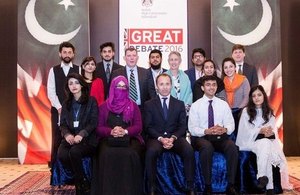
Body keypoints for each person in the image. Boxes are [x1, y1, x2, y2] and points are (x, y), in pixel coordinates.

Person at [91, 76, 144, 195]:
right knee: (106, 153)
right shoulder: (103, 107)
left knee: (131, 154)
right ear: (112, 88)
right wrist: (111, 131)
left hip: (130, 138)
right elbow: (98, 128)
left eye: (124, 86)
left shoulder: (133, 105)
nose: (121, 89)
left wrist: (125, 131)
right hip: (108, 138)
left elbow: (138, 126)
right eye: (118, 86)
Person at [236, 85, 293, 195]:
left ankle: (263, 179)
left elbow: (273, 133)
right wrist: (259, 130)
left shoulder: (269, 112)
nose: (256, 98)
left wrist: (268, 132)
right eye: (254, 96)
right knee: (265, 146)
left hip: (266, 141)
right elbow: (245, 131)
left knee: (266, 145)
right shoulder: (246, 111)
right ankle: (269, 186)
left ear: (264, 96)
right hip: (250, 142)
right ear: (251, 98)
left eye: (259, 95)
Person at [144, 73, 195, 195]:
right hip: (156, 138)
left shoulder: (179, 104)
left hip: (175, 137)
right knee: (151, 152)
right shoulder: (149, 104)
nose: (165, 87)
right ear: (157, 86)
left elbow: (183, 126)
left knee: (188, 150)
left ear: (171, 85)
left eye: (167, 84)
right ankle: (152, 187)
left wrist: (172, 138)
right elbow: (148, 126)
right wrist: (161, 138)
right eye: (161, 84)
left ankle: (190, 185)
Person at [188, 75, 238, 195]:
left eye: (214, 85)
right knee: (207, 147)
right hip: (202, 137)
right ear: (202, 88)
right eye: (208, 85)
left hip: (220, 136)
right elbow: (192, 128)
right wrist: (206, 131)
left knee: (232, 147)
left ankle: (231, 185)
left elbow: (231, 125)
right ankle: (208, 185)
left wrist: (224, 129)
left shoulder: (223, 104)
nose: (211, 87)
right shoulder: (196, 105)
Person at [57, 73, 98, 194]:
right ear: (68, 87)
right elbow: (63, 124)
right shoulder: (66, 103)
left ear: (81, 84)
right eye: (70, 83)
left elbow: (93, 122)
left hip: (87, 139)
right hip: (70, 138)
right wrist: (67, 135)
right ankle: (80, 179)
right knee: (62, 154)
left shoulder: (91, 101)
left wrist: (82, 134)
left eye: (76, 82)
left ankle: (81, 183)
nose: (73, 86)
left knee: (75, 152)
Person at [47, 41, 80, 168]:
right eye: (64, 52)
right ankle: (55, 170)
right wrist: (59, 107)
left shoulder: (78, 69)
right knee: (57, 138)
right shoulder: (53, 70)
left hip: (75, 110)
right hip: (57, 110)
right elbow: (50, 91)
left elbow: (80, 89)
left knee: (73, 138)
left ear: (73, 54)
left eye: (69, 52)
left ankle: (71, 170)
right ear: (60, 54)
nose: (67, 54)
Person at [111, 47, 149, 111]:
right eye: (129, 56)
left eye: (134, 55)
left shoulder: (145, 72)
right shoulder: (116, 73)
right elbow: (112, 92)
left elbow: (149, 93)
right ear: (124, 58)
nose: (132, 58)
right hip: (123, 109)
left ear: (137, 57)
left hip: (142, 110)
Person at [222, 57, 250, 137]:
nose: (228, 69)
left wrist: (237, 109)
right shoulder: (222, 82)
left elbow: (246, 97)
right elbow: (223, 98)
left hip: (241, 112)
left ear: (235, 67)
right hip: (227, 112)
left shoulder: (243, 80)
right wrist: (229, 109)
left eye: (231, 66)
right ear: (223, 70)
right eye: (226, 67)